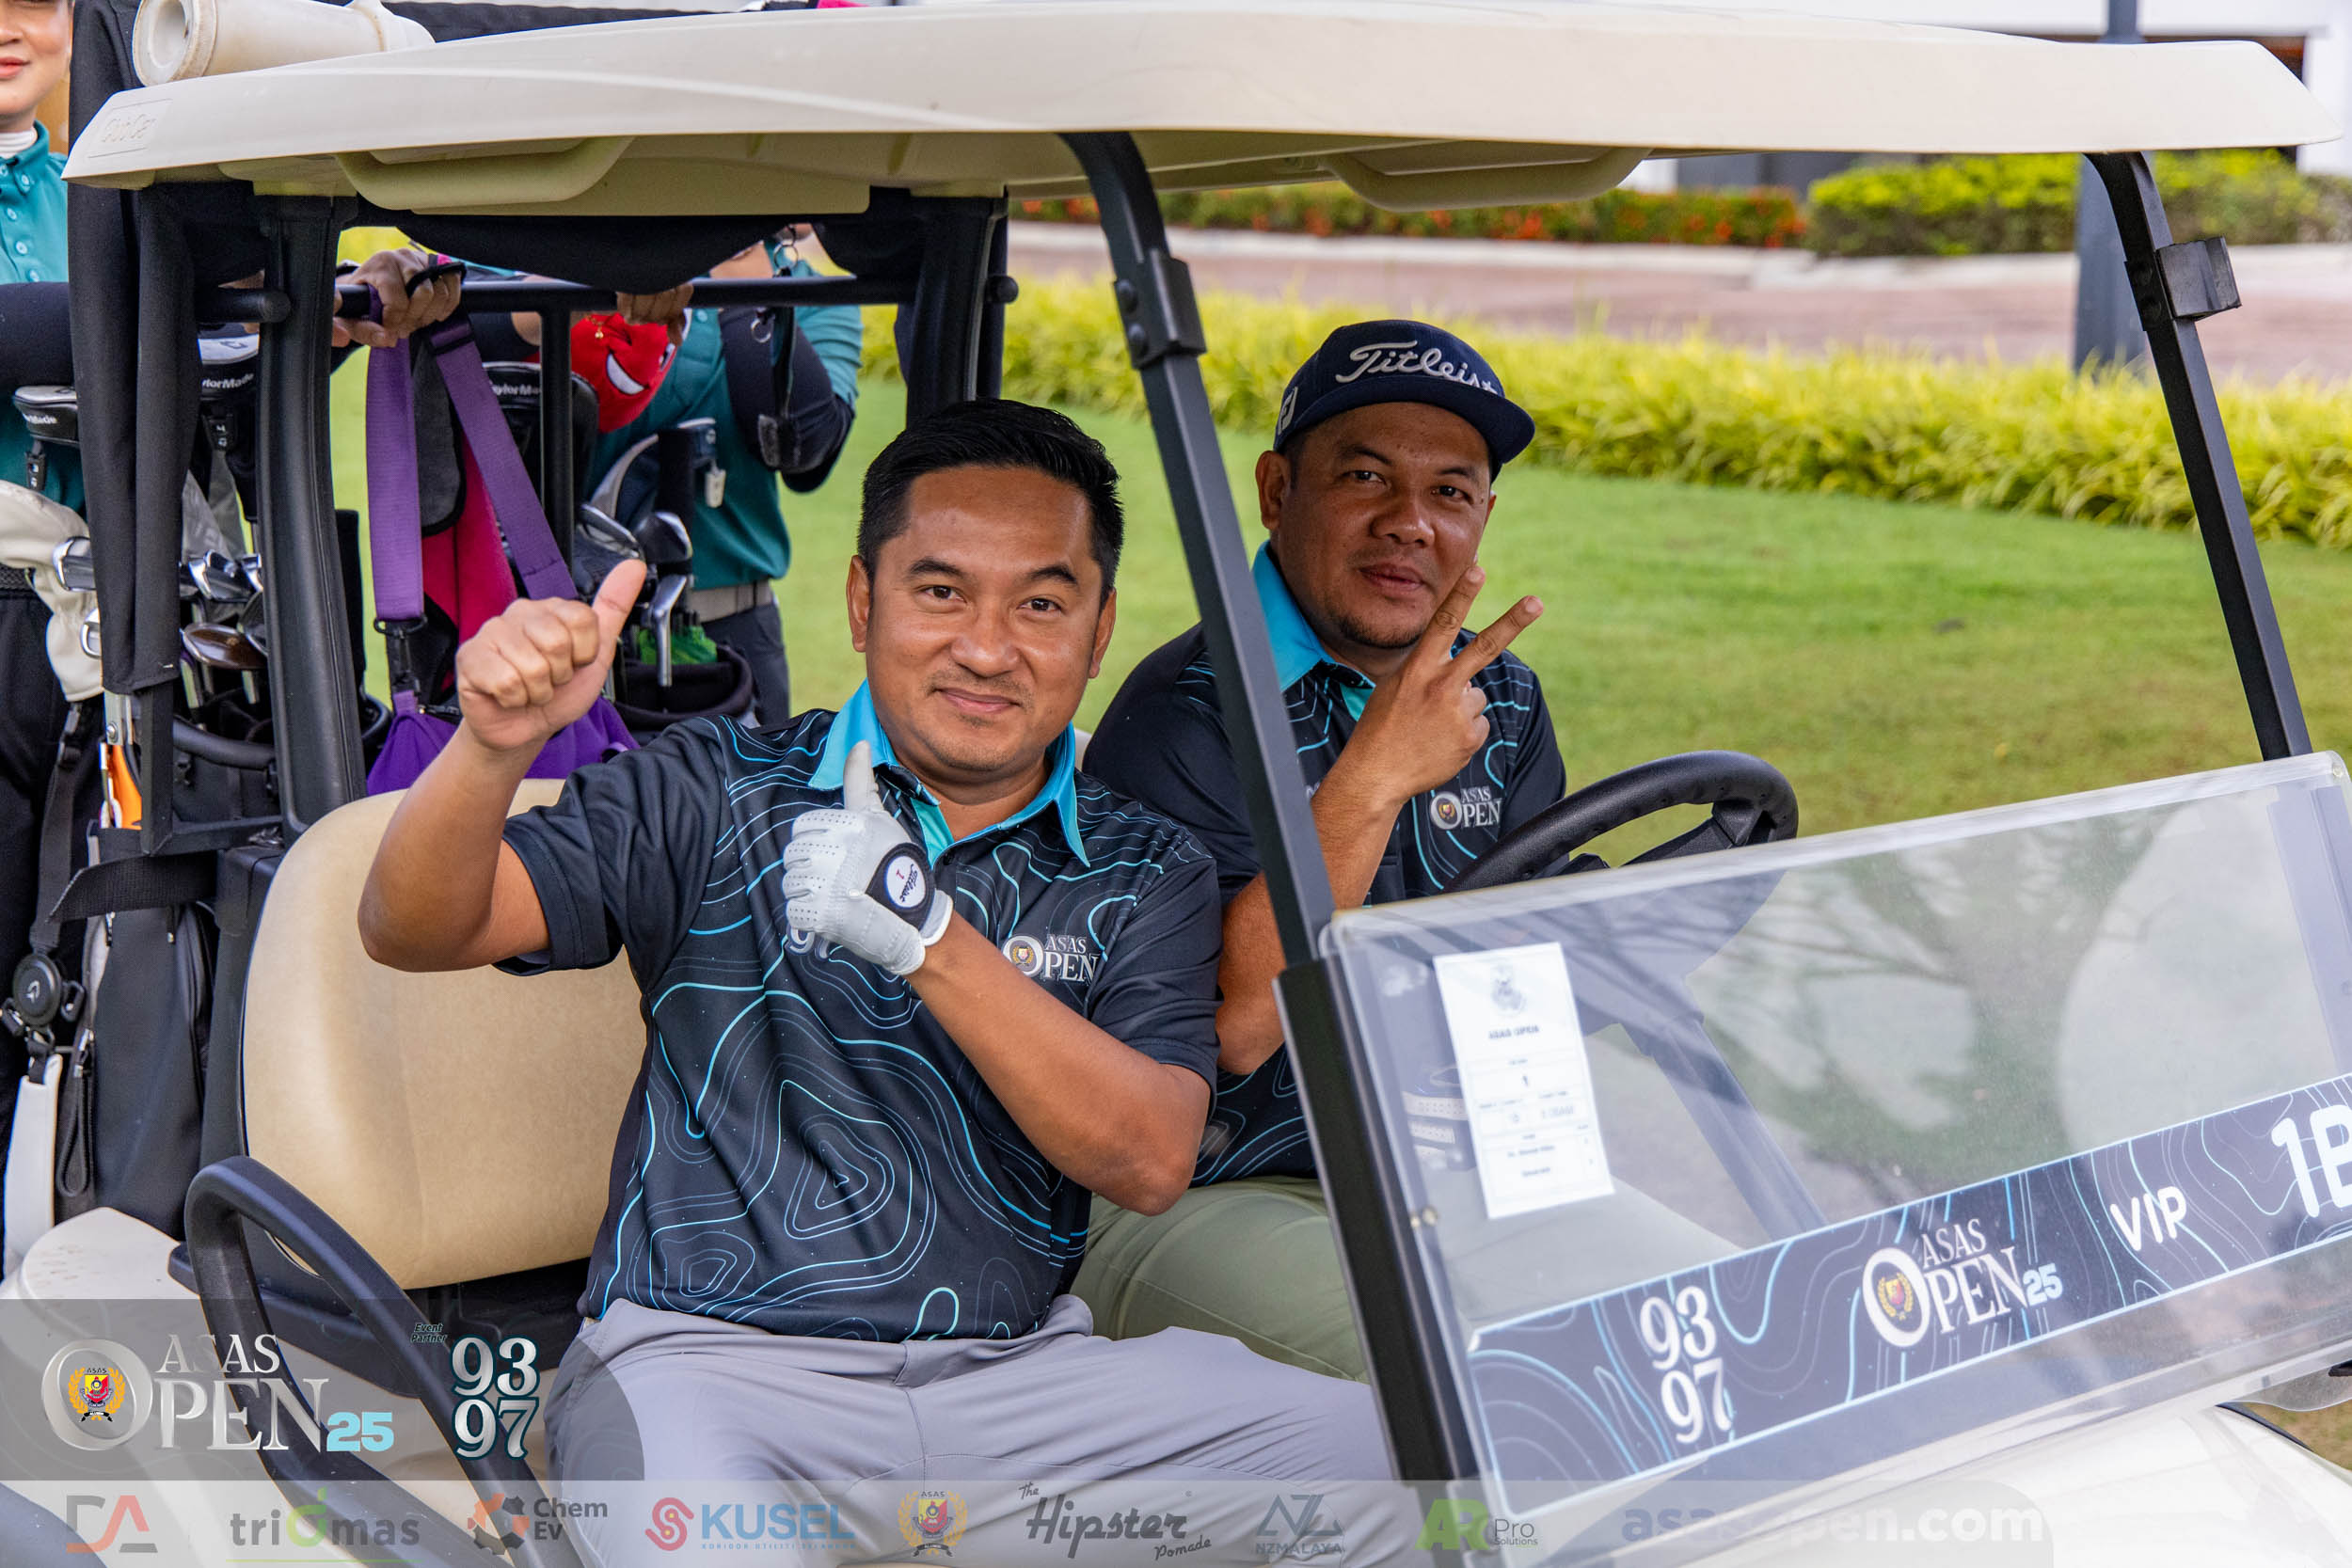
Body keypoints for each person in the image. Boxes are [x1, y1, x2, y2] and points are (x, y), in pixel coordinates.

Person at [357, 401, 1394, 1561]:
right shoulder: (716, 786)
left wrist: (928, 938)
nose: (988, 648)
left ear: (1099, 630)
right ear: (862, 601)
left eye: (1041, 604)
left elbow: (1151, 1157)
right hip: (705, 1367)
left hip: (1020, 1380)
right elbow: (416, 925)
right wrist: (492, 747)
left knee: (1416, 1465)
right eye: (941, 591)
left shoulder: (1142, 863)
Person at [1075, 320, 1566, 1381]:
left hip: (1440, 1175)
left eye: (1450, 492)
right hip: (1204, 1190)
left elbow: (1521, 969)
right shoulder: (1187, 712)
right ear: (1275, 490)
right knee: (1498, 1377)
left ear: (1483, 517)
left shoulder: (1503, 700)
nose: (1409, 523)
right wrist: (1375, 777)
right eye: (1365, 477)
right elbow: (1238, 1026)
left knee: (1714, 1308)